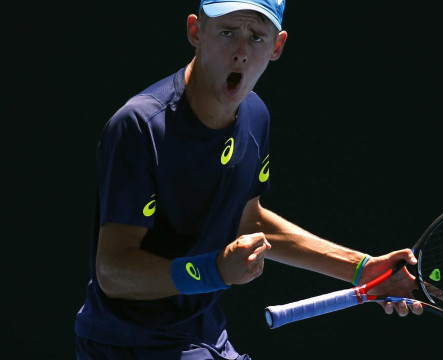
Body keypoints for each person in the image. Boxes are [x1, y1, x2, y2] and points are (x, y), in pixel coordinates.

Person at [74, 1, 424, 358]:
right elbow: (113, 272)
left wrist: (361, 269)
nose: (241, 52)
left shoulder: (255, 116)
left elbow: (247, 219)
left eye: (257, 37)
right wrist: (212, 271)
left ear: (277, 46)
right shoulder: (139, 127)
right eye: (228, 33)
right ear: (196, 31)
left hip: (204, 333)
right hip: (126, 345)